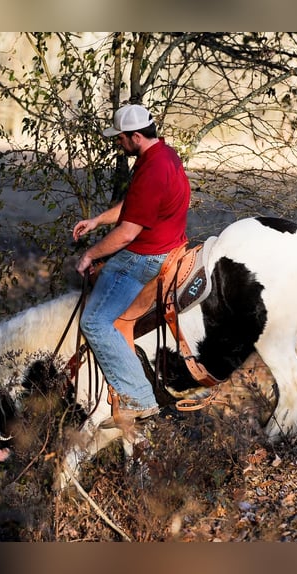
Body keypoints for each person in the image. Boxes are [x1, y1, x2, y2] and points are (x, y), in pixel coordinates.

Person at [72, 104, 191, 430]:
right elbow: (134, 206)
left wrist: (90, 256)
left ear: (136, 136)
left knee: (94, 322)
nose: (119, 143)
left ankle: (139, 400)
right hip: (167, 245)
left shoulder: (151, 169)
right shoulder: (163, 155)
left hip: (143, 257)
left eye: (121, 138)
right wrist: (98, 220)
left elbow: (127, 233)